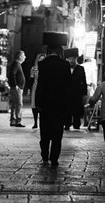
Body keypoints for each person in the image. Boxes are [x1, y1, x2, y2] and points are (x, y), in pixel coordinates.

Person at [35, 31, 71, 167]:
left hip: (46, 104)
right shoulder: (65, 65)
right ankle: (54, 158)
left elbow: (40, 84)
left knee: (45, 132)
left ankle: (45, 154)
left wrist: (38, 102)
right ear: (60, 50)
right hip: (60, 105)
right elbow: (68, 86)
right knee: (57, 134)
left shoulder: (43, 64)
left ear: (48, 50)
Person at [64, 48, 87, 130]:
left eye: (73, 59)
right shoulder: (64, 68)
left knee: (77, 109)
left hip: (77, 93)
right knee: (67, 109)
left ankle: (76, 124)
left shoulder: (80, 69)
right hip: (66, 93)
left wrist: (84, 93)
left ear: (76, 59)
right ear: (67, 59)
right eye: (70, 59)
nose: (71, 61)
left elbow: (84, 81)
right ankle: (67, 124)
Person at [8, 50, 26, 127]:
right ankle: (18, 121)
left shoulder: (16, 64)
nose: (25, 57)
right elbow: (12, 74)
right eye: (24, 55)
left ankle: (13, 120)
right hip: (17, 88)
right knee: (18, 104)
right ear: (20, 57)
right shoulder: (16, 64)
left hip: (17, 87)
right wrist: (15, 85)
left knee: (14, 104)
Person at [29, 53, 45, 129]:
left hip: (44, 88)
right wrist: (29, 89)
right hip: (35, 87)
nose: (41, 60)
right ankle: (35, 122)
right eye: (40, 59)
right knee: (34, 105)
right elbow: (31, 79)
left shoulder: (47, 68)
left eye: (43, 59)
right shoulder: (34, 68)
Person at [82, 58, 97, 126]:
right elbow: (94, 81)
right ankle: (86, 121)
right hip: (89, 87)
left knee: (81, 104)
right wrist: (95, 91)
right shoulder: (92, 68)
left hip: (81, 87)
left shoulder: (80, 66)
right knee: (87, 105)